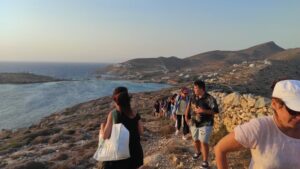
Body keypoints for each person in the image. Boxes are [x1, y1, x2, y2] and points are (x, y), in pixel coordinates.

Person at [214, 79, 300, 169]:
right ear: (274, 104)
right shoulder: (260, 128)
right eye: (293, 111)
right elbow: (220, 149)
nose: (299, 117)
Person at [100, 87, 144, 169]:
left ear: (116, 100)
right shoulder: (135, 113)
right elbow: (141, 131)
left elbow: (105, 136)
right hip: (136, 154)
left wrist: (102, 127)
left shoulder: (113, 114)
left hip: (121, 156)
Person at [185, 80, 219, 169]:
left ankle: (205, 161)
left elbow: (215, 111)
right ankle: (198, 152)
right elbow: (188, 105)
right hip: (193, 122)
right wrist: (186, 117)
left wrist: (203, 111)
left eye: (196, 88)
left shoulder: (210, 99)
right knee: (195, 139)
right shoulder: (193, 97)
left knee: (204, 142)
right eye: (194, 88)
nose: (194, 89)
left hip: (206, 123)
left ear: (202, 89)